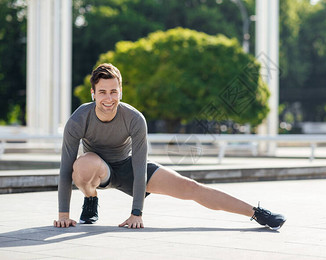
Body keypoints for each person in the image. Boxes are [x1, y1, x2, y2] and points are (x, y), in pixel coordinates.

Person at [53, 63, 286, 230]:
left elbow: (139, 163)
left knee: (191, 187)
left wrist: (136, 213)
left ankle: (257, 214)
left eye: (114, 91)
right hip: (96, 170)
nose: (108, 98)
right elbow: (66, 169)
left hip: (129, 167)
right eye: (102, 92)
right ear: (93, 93)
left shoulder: (134, 118)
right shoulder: (78, 120)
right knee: (85, 164)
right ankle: (91, 199)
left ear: (120, 92)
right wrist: (63, 215)